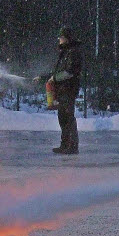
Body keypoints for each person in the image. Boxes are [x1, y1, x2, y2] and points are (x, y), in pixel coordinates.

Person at [44, 26, 83, 154]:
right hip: (62, 90)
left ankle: (72, 146)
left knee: (68, 117)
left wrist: (53, 78)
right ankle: (65, 144)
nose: (59, 40)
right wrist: (45, 77)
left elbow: (69, 72)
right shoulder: (65, 52)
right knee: (62, 117)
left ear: (66, 38)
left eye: (61, 37)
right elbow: (58, 72)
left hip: (69, 89)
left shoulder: (73, 52)